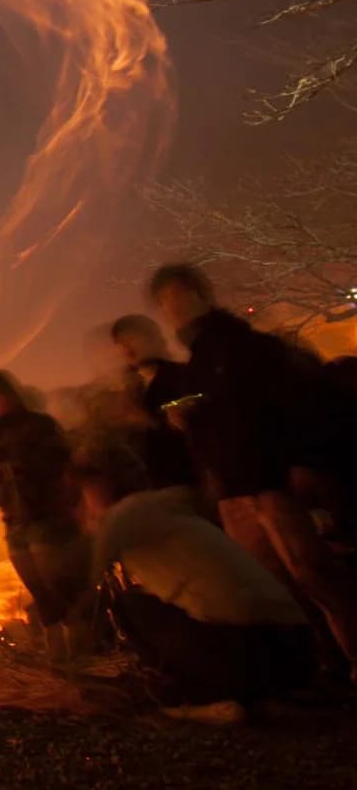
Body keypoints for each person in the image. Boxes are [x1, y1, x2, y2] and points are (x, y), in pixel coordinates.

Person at [149, 263, 357, 677]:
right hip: (234, 490)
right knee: (275, 587)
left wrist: (299, 462)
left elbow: (285, 404)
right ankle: (321, 667)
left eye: (178, 295)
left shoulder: (241, 345)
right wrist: (186, 422)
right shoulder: (195, 364)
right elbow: (215, 425)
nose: (172, 307)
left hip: (269, 481)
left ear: (201, 295)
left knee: (313, 574)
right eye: (164, 302)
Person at [77, 445, 313, 722]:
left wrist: (73, 652)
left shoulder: (124, 517)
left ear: (99, 487)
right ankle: (258, 695)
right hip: (298, 650)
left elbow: (83, 586)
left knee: (131, 605)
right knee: (150, 599)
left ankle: (195, 698)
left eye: (84, 493)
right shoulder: (166, 507)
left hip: (249, 652)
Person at [0, 370, 88, 656]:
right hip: (15, 522)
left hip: (48, 518)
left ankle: (85, 648)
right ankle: (59, 656)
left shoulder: (39, 426)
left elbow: (63, 466)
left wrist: (23, 464)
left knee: (59, 585)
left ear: (9, 394)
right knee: (39, 590)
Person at [106, 315, 203, 492]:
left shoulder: (182, 376)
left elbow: (199, 427)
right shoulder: (129, 389)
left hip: (189, 482)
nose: (125, 346)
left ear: (153, 338)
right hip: (153, 487)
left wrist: (149, 421)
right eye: (119, 343)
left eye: (131, 338)